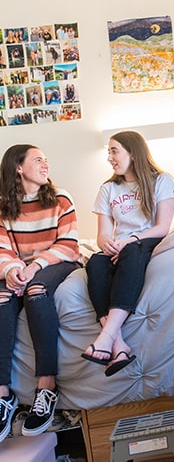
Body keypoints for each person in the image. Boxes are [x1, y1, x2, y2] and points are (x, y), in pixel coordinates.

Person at [81, 130, 174, 377]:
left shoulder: (162, 181)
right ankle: (117, 344)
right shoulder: (108, 189)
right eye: (109, 152)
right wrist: (109, 245)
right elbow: (103, 234)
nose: (109, 158)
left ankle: (106, 337)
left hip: (145, 242)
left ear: (133, 153)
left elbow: (162, 228)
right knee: (95, 263)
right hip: (121, 246)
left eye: (114, 151)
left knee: (132, 253)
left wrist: (128, 241)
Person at [0, 144, 81, 440]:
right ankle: (3, 395)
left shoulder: (61, 199)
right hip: (19, 267)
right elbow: (2, 249)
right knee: (2, 297)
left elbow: (69, 245)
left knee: (35, 291)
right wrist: (10, 270)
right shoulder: (3, 206)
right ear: (19, 168)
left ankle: (46, 387)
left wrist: (32, 268)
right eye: (38, 160)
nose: (45, 164)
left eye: (46, 159)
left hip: (57, 263)